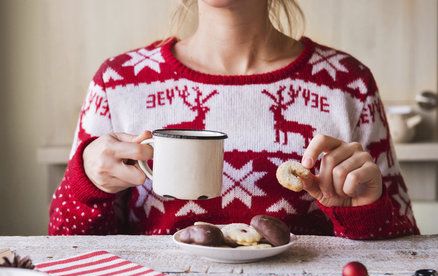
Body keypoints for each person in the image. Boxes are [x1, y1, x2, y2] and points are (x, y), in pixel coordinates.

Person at [49, 0, 419, 238]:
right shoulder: (119, 82)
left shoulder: (348, 83)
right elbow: (65, 242)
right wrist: (87, 185)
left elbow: (402, 252)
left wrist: (364, 211)